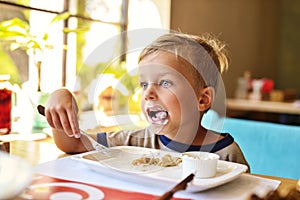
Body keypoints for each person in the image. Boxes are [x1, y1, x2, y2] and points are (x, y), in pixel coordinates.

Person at [44, 31, 250, 169]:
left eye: (165, 82)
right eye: (144, 84)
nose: (148, 93)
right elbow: (73, 144)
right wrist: (60, 97)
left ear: (203, 99)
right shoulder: (134, 141)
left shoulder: (226, 154)